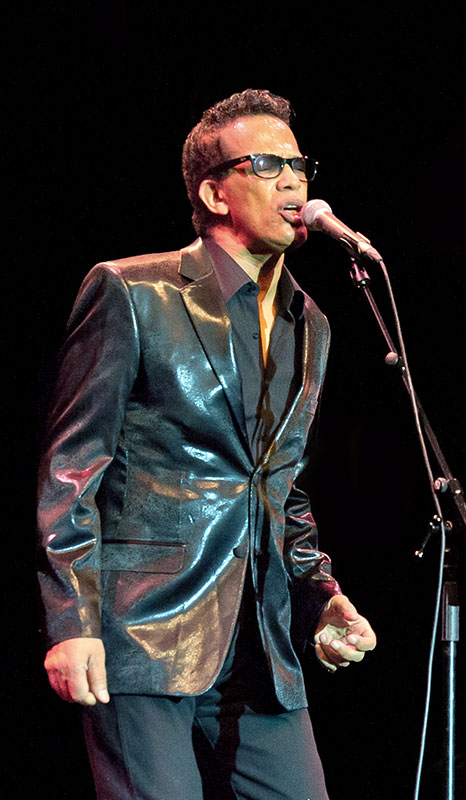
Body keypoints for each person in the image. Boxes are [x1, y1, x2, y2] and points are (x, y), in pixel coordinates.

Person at [37, 88, 376, 800]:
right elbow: (71, 468)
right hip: (143, 629)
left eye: (299, 165)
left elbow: (280, 485)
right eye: (267, 165)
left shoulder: (309, 323)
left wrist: (319, 597)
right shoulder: (133, 291)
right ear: (215, 193)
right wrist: (71, 620)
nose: (292, 181)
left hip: (261, 640)